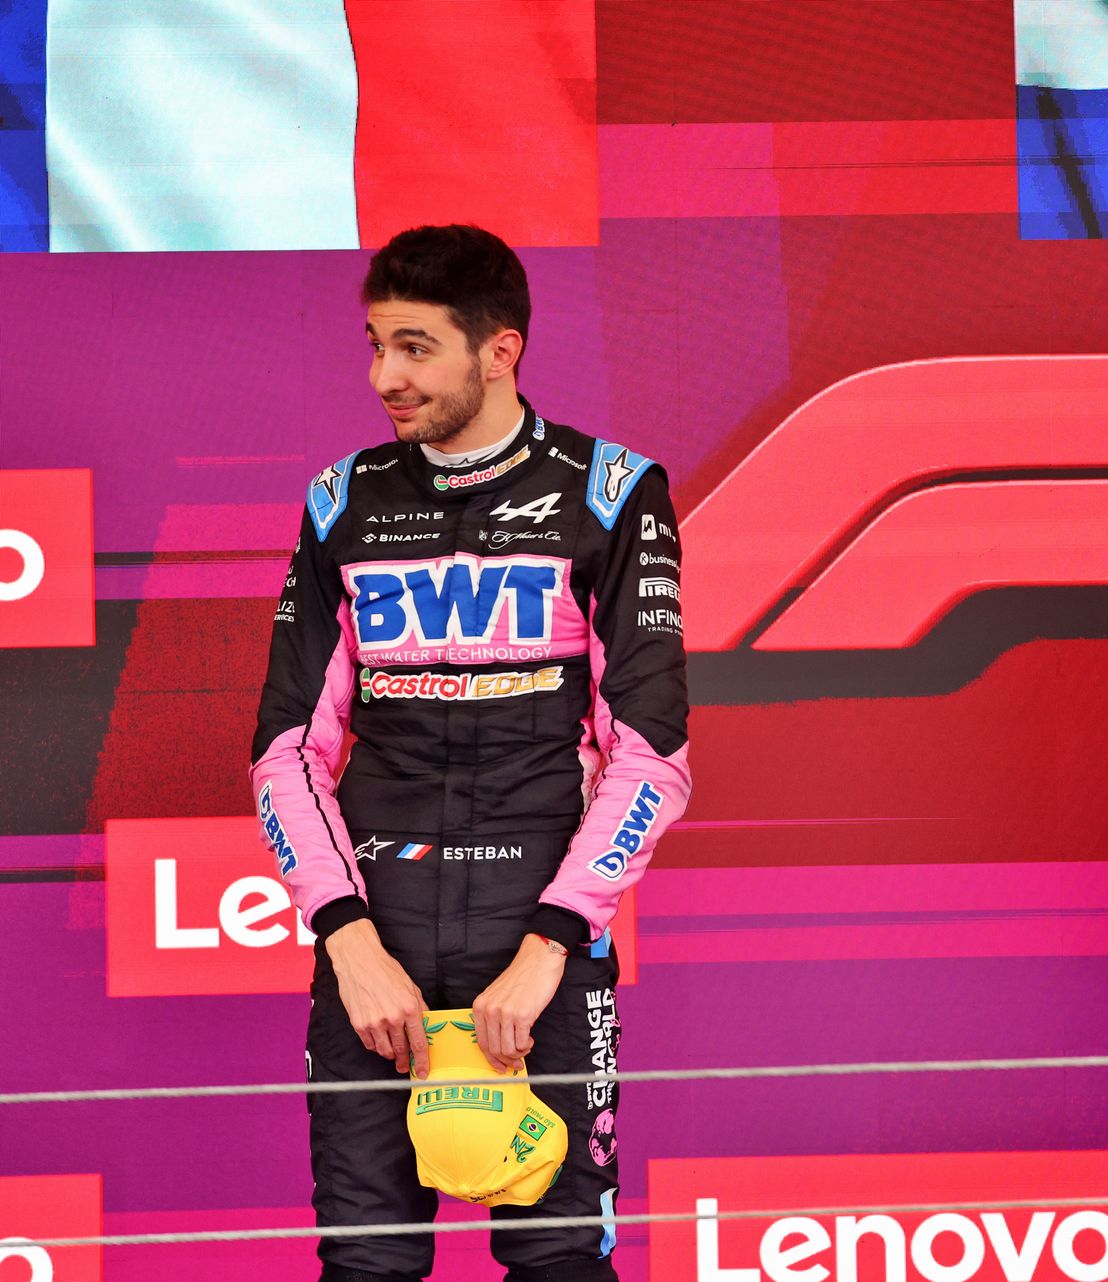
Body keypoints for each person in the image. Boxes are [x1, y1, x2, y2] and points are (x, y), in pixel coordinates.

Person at [250, 223, 690, 1281]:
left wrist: (552, 946)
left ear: (500, 351)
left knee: (559, 1259)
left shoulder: (611, 492)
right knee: (366, 1263)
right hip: (377, 946)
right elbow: (286, 752)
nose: (384, 378)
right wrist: (348, 941)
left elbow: (651, 755)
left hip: (537, 942)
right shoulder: (341, 501)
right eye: (375, 345)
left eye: (415, 348)